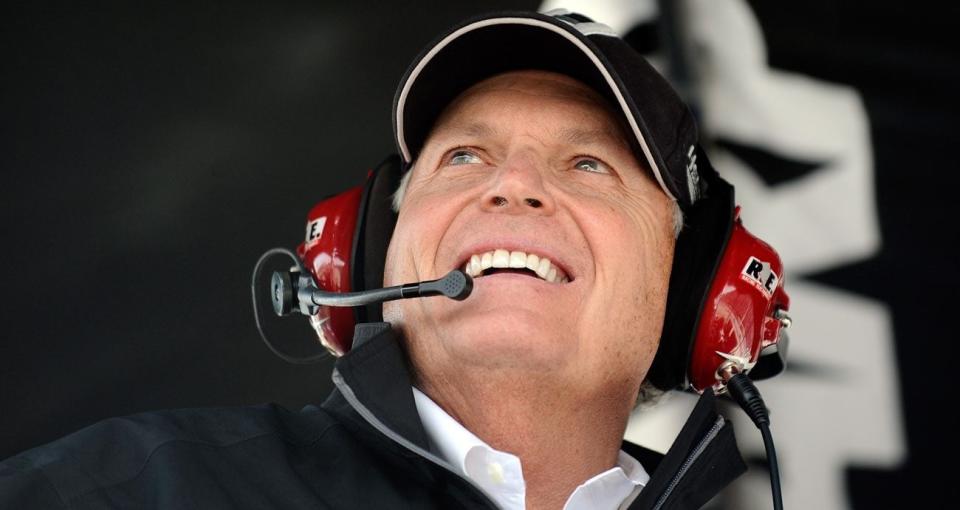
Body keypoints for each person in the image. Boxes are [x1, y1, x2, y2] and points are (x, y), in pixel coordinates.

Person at [0, 10, 750, 509]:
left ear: (690, 286)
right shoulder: (140, 489)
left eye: (589, 165)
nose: (514, 185)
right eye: (463, 156)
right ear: (363, 261)